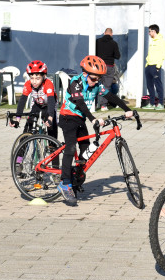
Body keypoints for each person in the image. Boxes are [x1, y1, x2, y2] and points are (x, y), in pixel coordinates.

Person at [57, 55, 134, 205]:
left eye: (99, 78)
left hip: (80, 119)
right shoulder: (76, 82)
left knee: (86, 151)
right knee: (71, 146)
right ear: (85, 74)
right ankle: (65, 182)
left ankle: (75, 176)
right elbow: (80, 104)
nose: (96, 81)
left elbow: (111, 96)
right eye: (94, 78)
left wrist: (128, 110)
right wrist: (92, 119)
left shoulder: (97, 84)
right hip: (67, 117)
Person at [12, 60, 57, 139]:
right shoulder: (28, 84)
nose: (34, 81)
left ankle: (52, 147)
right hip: (37, 105)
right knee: (28, 127)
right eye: (32, 78)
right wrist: (18, 118)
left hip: (49, 106)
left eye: (37, 78)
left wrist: (50, 117)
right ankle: (22, 149)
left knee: (51, 126)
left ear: (44, 76)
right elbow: (22, 101)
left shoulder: (48, 83)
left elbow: (51, 101)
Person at [95, 28, 121, 111]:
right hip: (109, 66)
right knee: (107, 86)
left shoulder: (97, 41)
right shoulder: (114, 43)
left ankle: (94, 104)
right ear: (112, 34)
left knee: (95, 84)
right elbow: (117, 56)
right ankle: (103, 105)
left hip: (98, 66)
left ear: (104, 33)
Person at [144, 24, 165, 110]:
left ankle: (160, 103)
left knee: (158, 85)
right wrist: (147, 64)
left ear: (154, 31)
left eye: (150, 31)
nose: (149, 33)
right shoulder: (152, 41)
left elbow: (162, 54)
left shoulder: (161, 41)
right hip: (149, 66)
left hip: (155, 66)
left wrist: (158, 66)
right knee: (149, 85)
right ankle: (152, 103)